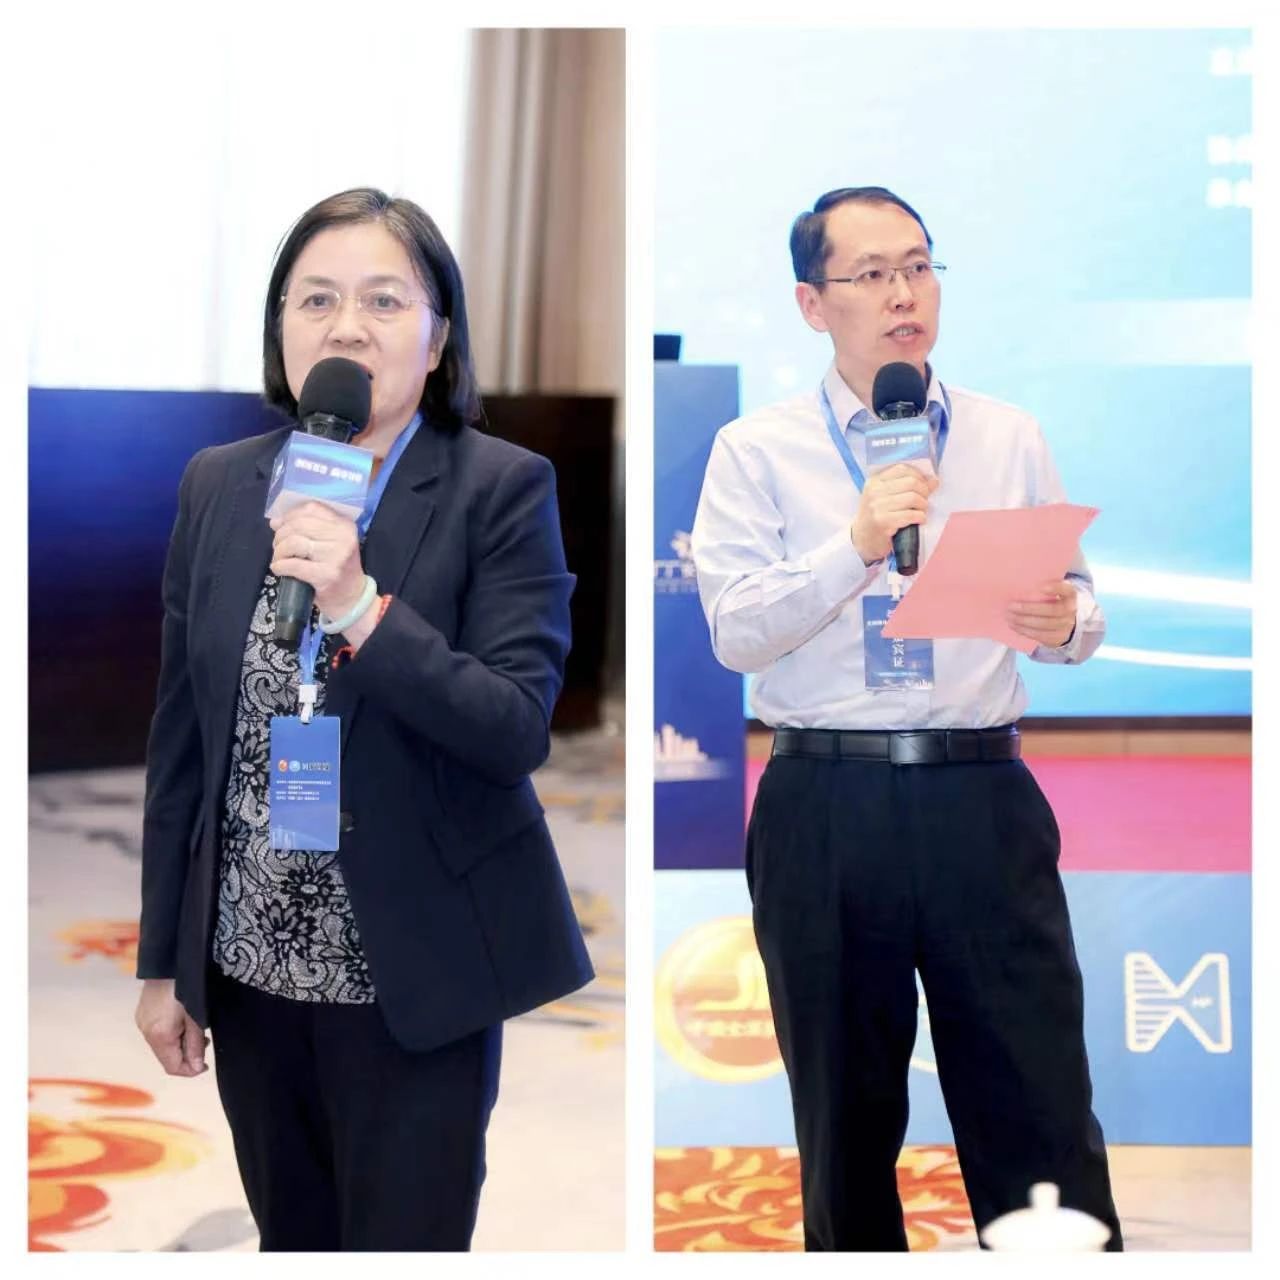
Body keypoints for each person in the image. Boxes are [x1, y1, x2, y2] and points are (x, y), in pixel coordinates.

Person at [133, 187, 593, 1251]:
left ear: (438, 339)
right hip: (249, 957)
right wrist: (165, 960)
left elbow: (511, 727)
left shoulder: (501, 488)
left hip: (413, 965)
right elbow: (182, 743)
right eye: (317, 299)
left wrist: (356, 606)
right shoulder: (220, 485)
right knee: (292, 1238)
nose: (346, 326)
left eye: (385, 300)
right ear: (281, 329)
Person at [690, 187, 1123, 1252]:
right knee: (844, 1119)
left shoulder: (1005, 434)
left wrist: (1065, 620)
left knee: (1038, 1102)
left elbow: (1076, 604)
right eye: (872, 274)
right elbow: (735, 632)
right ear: (812, 303)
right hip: (824, 801)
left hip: (980, 795)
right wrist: (855, 543)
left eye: (919, 267)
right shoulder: (755, 449)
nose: (902, 295)